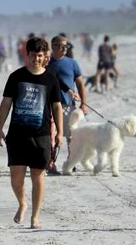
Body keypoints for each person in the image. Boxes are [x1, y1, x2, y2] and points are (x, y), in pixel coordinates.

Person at [0, 37, 63, 229]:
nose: (36, 59)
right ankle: (22, 203)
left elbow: (57, 106)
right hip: (17, 134)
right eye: (33, 55)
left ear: (44, 56)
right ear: (27, 55)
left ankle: (35, 216)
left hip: (41, 135)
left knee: (38, 176)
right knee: (16, 179)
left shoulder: (50, 79)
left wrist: (59, 132)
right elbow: (6, 103)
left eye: (40, 56)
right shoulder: (16, 77)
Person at [47, 35, 89, 175]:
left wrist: (84, 104)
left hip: (68, 106)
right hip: (50, 105)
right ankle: (51, 163)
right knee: (52, 136)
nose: (63, 48)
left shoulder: (72, 63)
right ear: (53, 47)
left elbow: (80, 85)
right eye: (60, 46)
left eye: (66, 46)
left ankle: (71, 162)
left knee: (71, 136)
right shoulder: (46, 62)